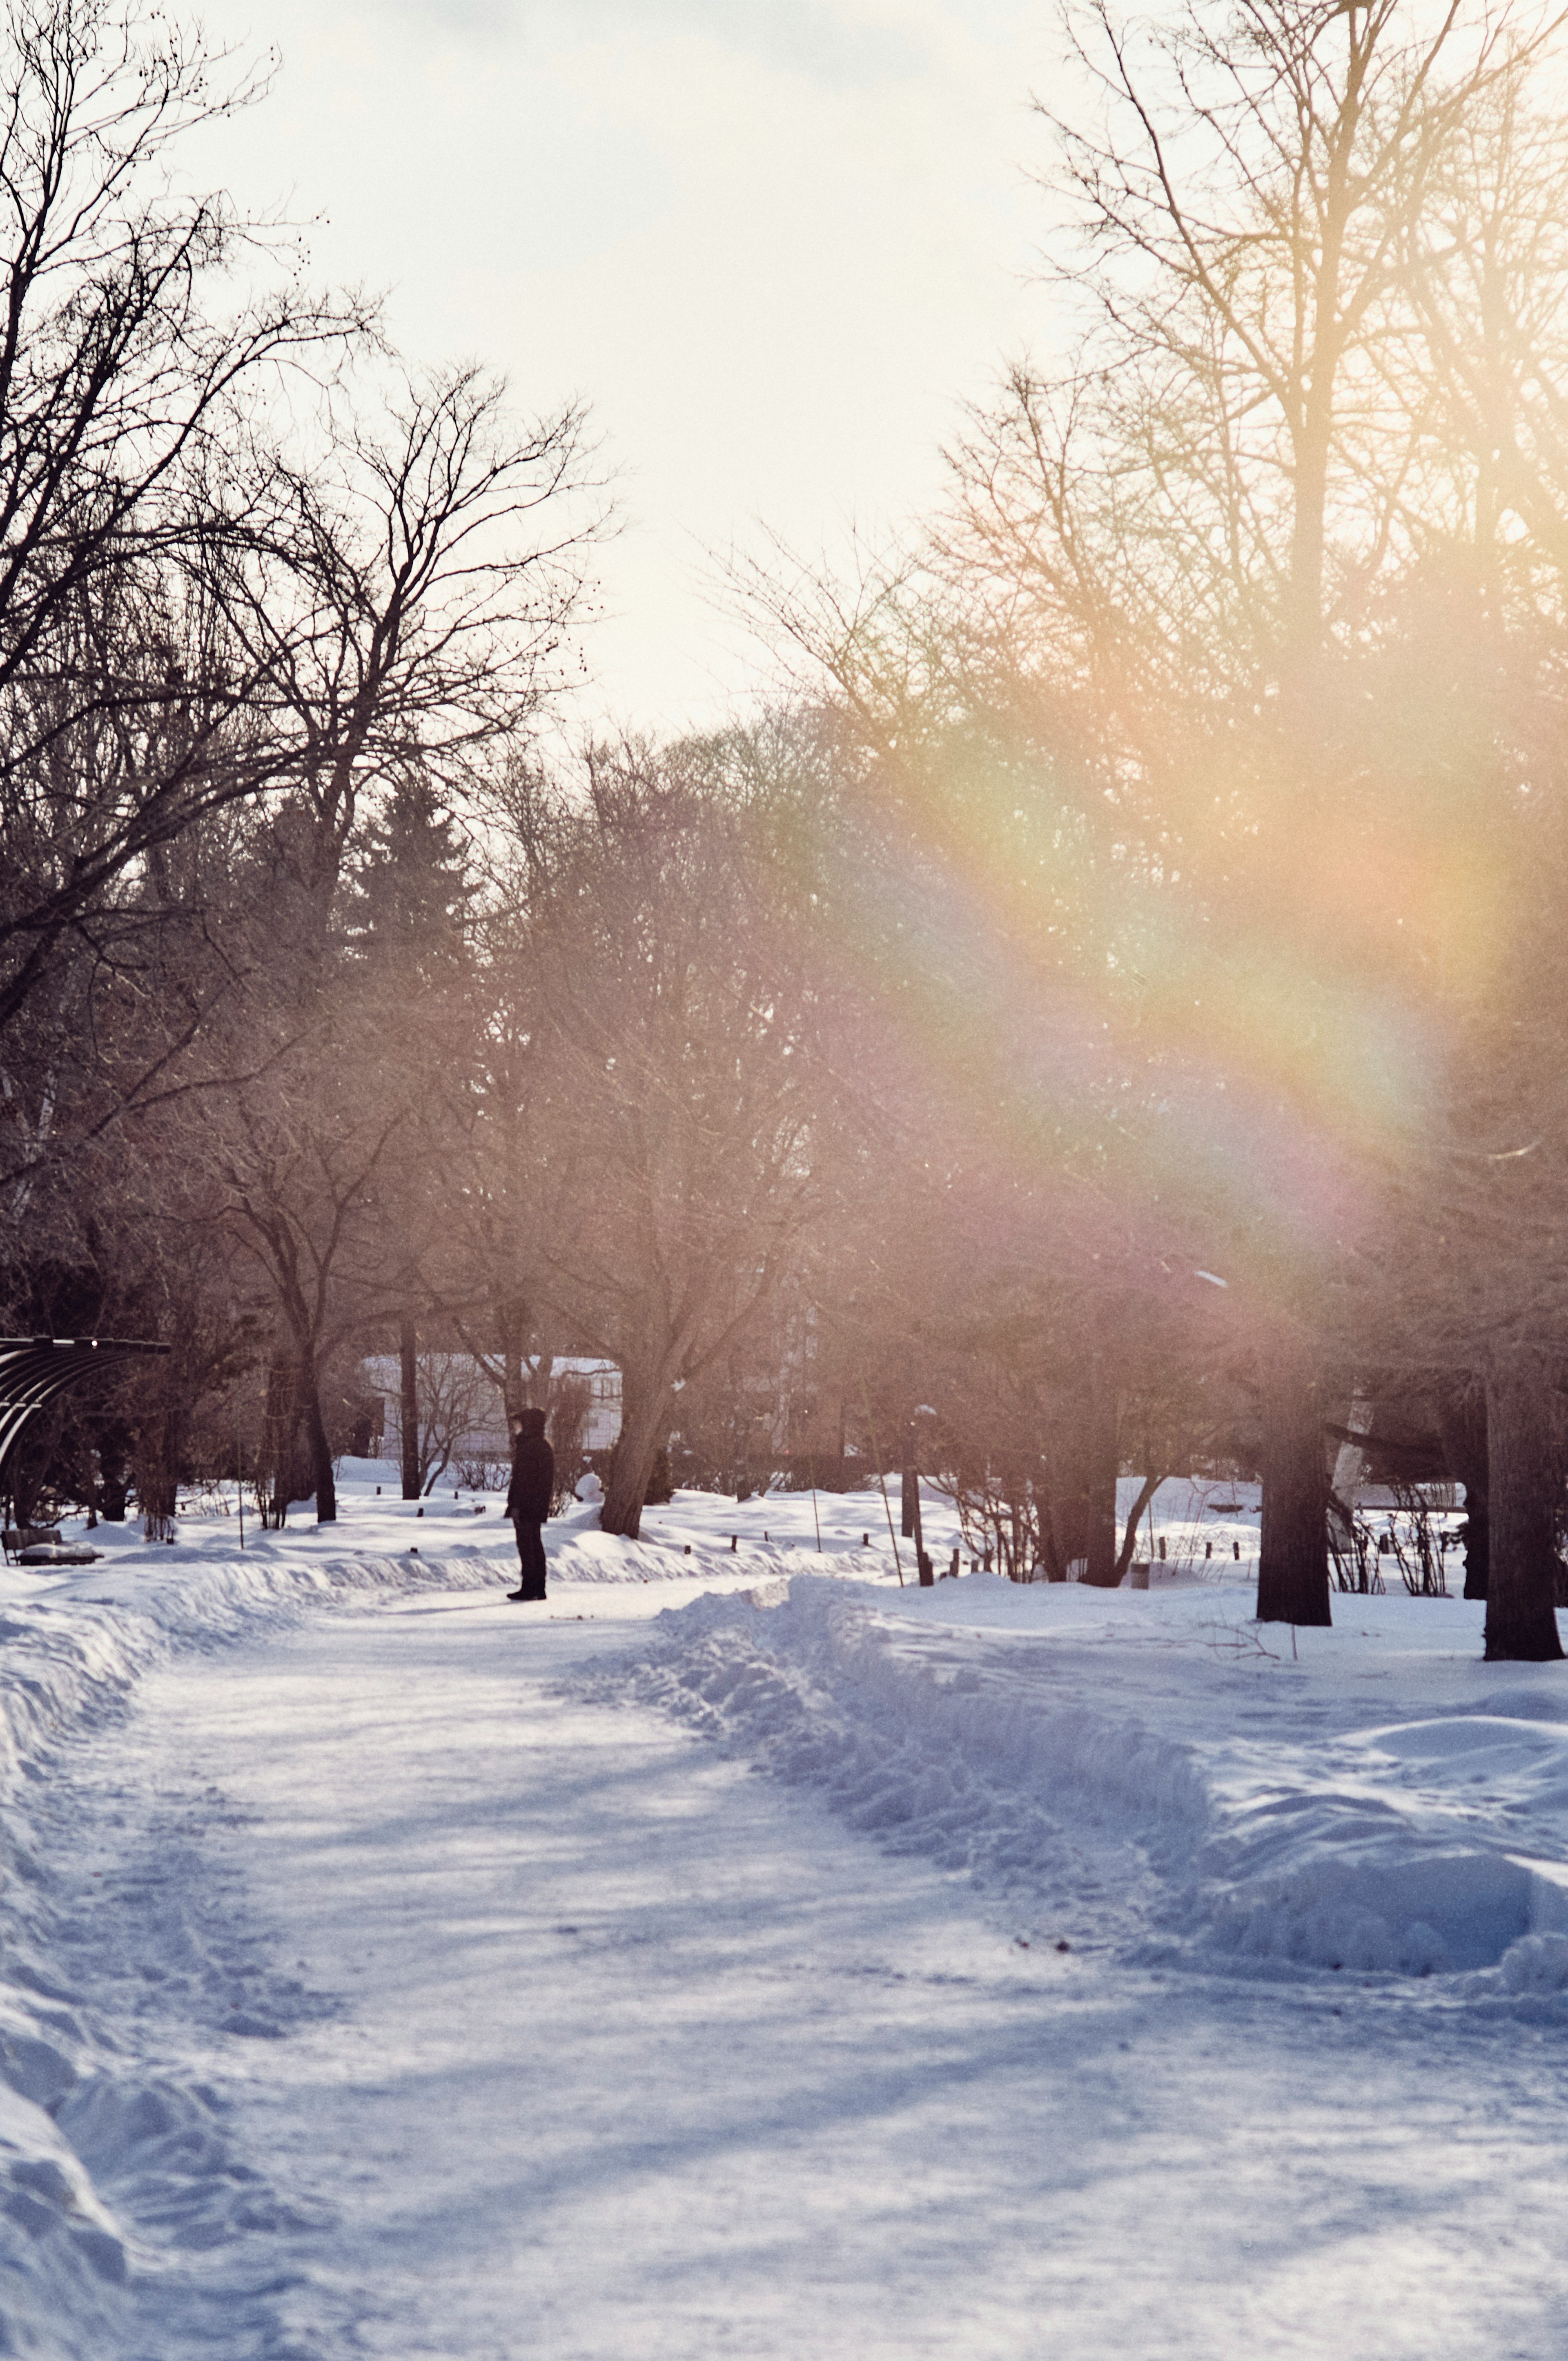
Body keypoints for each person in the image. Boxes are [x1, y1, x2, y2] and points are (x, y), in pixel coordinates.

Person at [505, 1407, 554, 1603]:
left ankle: (530, 1586)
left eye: (520, 1422)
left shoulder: (532, 1447)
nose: (517, 1426)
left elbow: (524, 1481)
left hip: (527, 1505)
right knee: (534, 1543)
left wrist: (517, 1505)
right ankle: (537, 1587)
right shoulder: (541, 1445)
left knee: (527, 1545)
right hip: (535, 1504)